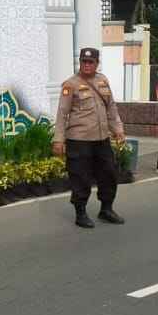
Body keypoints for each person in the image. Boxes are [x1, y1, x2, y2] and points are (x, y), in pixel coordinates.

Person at [52, 47, 126, 229]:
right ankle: (81, 212)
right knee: (81, 177)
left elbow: (111, 108)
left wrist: (118, 129)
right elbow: (62, 114)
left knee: (108, 174)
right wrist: (58, 140)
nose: (86, 65)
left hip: (102, 139)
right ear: (80, 62)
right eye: (83, 61)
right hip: (79, 140)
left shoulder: (102, 81)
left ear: (96, 63)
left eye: (90, 62)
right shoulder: (71, 84)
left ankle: (106, 209)